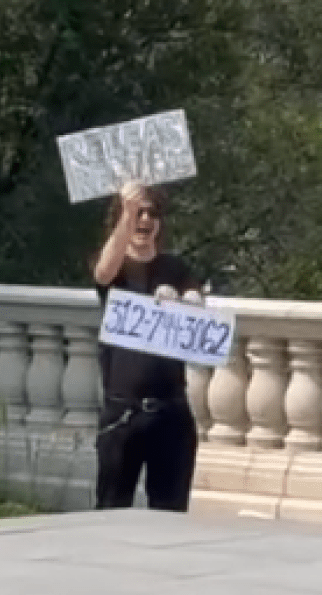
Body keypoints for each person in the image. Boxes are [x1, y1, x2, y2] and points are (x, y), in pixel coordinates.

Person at [92, 182, 205, 512]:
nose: (144, 219)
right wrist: (126, 212)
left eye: (151, 213)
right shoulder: (116, 266)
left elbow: (197, 315)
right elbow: (103, 273)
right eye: (137, 213)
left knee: (170, 511)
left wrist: (190, 303)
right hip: (123, 412)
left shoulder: (175, 268)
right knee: (112, 508)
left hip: (171, 410)